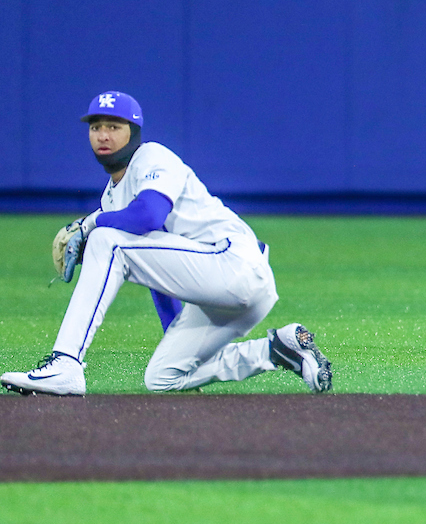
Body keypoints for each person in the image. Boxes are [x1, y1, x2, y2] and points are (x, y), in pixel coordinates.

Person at [1, 91, 332, 396]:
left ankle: (66, 362)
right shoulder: (112, 197)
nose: (103, 134)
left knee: (106, 240)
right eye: (96, 126)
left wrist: (90, 223)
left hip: (234, 264)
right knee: (163, 377)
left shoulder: (152, 157)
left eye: (114, 126)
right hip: (215, 286)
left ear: (134, 131)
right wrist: (176, 339)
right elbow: (161, 277)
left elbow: (148, 215)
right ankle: (281, 349)